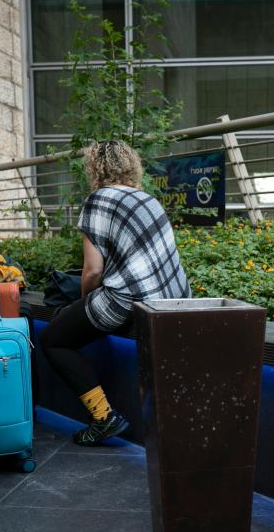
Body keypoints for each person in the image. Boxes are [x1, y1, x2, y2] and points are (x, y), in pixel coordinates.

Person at [39, 140, 190, 446]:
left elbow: (92, 270)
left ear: (94, 168)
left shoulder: (100, 199)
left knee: (53, 339)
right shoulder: (149, 200)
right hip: (173, 298)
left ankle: (104, 418)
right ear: (131, 165)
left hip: (129, 299)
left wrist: (82, 304)